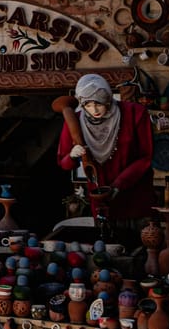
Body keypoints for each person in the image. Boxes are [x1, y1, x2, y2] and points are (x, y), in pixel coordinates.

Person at [57, 73, 154, 222]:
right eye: (88, 105)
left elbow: (146, 157)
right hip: (100, 198)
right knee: (107, 240)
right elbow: (63, 163)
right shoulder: (74, 122)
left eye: (99, 103)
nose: (94, 110)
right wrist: (72, 156)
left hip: (134, 192)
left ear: (108, 99)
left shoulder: (134, 113)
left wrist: (119, 184)